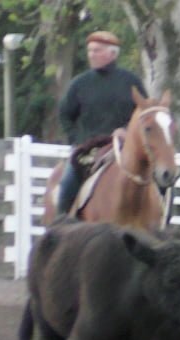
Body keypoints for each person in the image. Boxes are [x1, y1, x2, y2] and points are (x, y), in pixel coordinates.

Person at [56, 30, 147, 216]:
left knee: (158, 179)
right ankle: (62, 222)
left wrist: (127, 131)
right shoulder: (79, 84)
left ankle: (161, 221)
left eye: (97, 50)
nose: (91, 55)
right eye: (90, 51)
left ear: (112, 53)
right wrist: (77, 139)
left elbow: (145, 114)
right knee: (67, 182)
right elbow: (65, 115)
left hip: (123, 147)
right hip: (88, 149)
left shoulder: (131, 82)